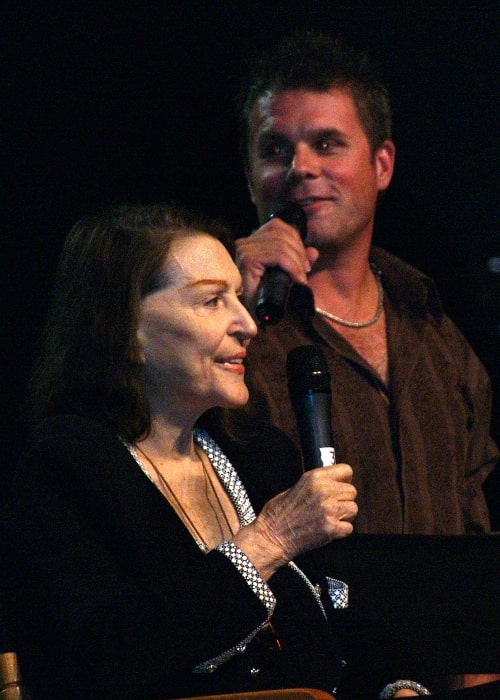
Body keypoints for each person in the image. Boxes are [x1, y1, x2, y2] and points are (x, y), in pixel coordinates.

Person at [0, 202, 369, 699]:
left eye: (239, 297)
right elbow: (103, 657)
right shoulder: (67, 465)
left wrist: (396, 684)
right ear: (126, 328)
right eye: (212, 301)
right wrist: (269, 541)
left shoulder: (259, 453)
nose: (248, 325)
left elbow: (349, 618)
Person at [235, 30, 498, 537]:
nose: (301, 168)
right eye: (275, 149)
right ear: (250, 179)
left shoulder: (433, 329)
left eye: (327, 144)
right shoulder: (225, 329)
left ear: (382, 165)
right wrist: (231, 300)